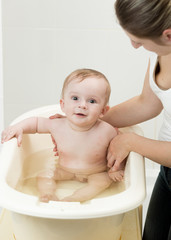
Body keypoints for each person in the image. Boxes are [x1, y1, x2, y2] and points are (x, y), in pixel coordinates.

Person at [101, 0, 171, 239]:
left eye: (138, 41)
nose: (133, 46)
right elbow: (147, 103)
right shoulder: (163, 51)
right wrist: (95, 121)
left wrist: (131, 143)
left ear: (168, 35)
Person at [1, 68, 123, 203]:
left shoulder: (107, 131)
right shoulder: (57, 125)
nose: (82, 105)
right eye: (75, 98)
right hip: (65, 170)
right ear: (63, 105)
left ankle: (75, 198)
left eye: (92, 101)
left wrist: (116, 169)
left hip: (96, 172)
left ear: (103, 111)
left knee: (102, 182)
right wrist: (19, 127)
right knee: (44, 176)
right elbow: (35, 123)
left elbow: (120, 151)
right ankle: (47, 194)